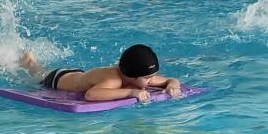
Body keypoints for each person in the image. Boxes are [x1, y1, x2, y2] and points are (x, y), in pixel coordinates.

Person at [19, 44, 182, 104]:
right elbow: (91, 95)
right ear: (132, 76)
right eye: (148, 78)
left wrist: (172, 86)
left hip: (78, 75)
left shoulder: (141, 77)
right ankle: (28, 61)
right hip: (56, 79)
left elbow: (171, 80)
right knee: (36, 73)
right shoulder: (114, 80)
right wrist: (131, 92)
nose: (152, 80)